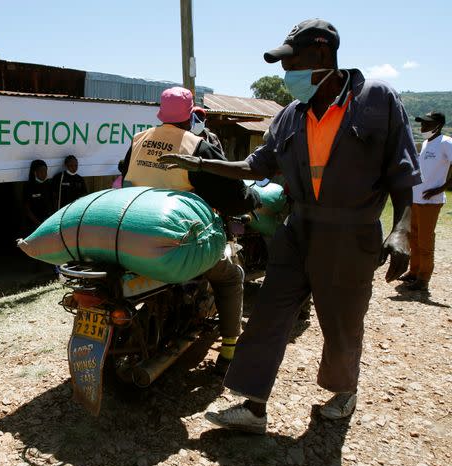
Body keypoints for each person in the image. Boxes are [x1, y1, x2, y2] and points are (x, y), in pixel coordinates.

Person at [159, 19, 420, 433]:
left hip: (351, 234)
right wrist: (199, 162)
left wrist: (403, 229)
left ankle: (343, 391)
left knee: (341, 321)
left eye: (292, 62)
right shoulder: (290, 115)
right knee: (269, 313)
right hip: (299, 230)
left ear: (322, 55)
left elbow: (403, 172)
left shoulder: (376, 100)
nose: (287, 74)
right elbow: (254, 166)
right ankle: (253, 407)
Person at [121, 86, 261, 373]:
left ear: (160, 113)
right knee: (232, 276)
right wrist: (252, 199)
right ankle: (229, 352)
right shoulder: (196, 147)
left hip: (131, 231)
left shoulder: (138, 140)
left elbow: (126, 172)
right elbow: (232, 194)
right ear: (190, 117)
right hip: (176, 239)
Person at [400, 111, 452, 291]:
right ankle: (414, 271)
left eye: (427, 124)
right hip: (416, 198)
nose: (422, 127)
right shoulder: (427, 144)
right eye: (422, 123)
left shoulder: (446, 142)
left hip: (431, 201)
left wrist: (439, 189)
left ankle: (423, 278)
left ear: (438, 125)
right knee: (413, 238)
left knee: (425, 241)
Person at [22, 159, 52, 231]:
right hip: (34, 224)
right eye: (41, 171)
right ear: (34, 172)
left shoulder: (48, 184)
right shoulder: (28, 186)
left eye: (45, 171)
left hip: (48, 222)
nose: (44, 174)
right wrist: (38, 223)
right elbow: (26, 208)